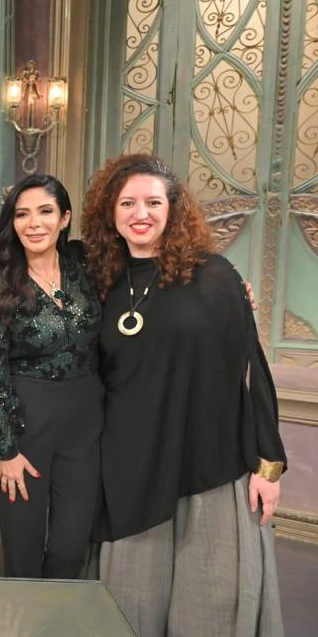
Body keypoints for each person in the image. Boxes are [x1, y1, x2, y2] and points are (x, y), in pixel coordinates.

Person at [82, 154, 286, 636]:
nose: (141, 214)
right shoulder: (96, 280)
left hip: (209, 464)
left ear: (173, 209)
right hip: (131, 468)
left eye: (154, 202)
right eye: (127, 203)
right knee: (127, 611)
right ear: (110, 211)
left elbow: (252, 371)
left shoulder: (215, 276)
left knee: (210, 609)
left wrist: (269, 465)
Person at [0, 175, 103, 578]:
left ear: (64, 218)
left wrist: (229, 281)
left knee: (70, 549)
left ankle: (56, 613)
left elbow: (149, 272)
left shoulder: (86, 264)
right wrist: (5, 450)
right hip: (25, 426)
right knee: (23, 553)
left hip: (86, 425)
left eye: (45, 212)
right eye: (22, 214)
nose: (33, 223)